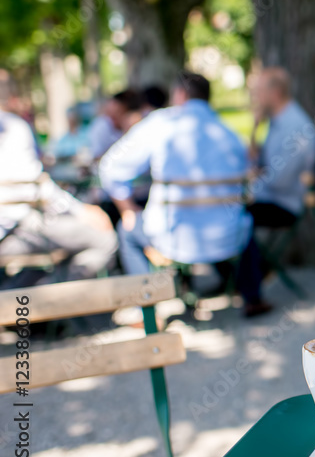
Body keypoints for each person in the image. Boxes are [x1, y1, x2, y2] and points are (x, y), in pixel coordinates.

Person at [98, 72, 266, 316]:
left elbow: (110, 168)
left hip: (173, 237)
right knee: (242, 219)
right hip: (229, 237)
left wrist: (127, 209)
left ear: (180, 94)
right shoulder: (229, 132)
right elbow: (249, 172)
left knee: (128, 230)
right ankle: (253, 297)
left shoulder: (160, 123)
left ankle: (144, 308)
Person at [0, 97, 117, 288]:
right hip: (19, 229)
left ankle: (33, 298)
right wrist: (81, 210)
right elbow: (35, 186)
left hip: (19, 229)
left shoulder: (12, 126)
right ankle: (52, 301)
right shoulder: (12, 126)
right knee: (105, 239)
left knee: (46, 261)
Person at [247, 67, 315, 228]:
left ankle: (252, 255)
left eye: (259, 91)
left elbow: (279, 181)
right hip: (269, 199)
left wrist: (255, 178)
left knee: (230, 216)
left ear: (275, 92)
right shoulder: (276, 121)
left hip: (283, 205)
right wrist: (255, 128)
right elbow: (256, 160)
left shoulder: (295, 127)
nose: (255, 97)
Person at [88, 89, 143, 159]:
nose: (113, 119)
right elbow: (97, 156)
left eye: (118, 113)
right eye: (110, 114)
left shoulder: (136, 127)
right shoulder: (101, 126)